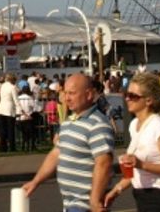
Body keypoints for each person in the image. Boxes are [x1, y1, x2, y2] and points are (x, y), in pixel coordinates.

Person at [21, 72, 116, 212]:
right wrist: (36, 182)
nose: (67, 98)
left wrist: (95, 200)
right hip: (70, 203)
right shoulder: (68, 122)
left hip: (85, 205)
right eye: (65, 93)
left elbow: (103, 163)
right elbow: (56, 154)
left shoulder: (98, 125)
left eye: (72, 93)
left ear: (89, 94)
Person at [105, 71, 160, 212]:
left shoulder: (159, 126)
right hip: (141, 195)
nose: (127, 99)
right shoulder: (134, 125)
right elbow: (134, 170)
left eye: (133, 96)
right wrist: (117, 189)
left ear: (149, 100)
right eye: (126, 94)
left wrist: (141, 164)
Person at [0, 72, 21, 153]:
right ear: (13, 80)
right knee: (11, 130)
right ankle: (12, 147)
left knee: (2, 130)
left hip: (0, 109)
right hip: (9, 110)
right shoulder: (12, 87)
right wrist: (19, 110)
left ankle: (2, 147)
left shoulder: (2, 86)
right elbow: (16, 100)